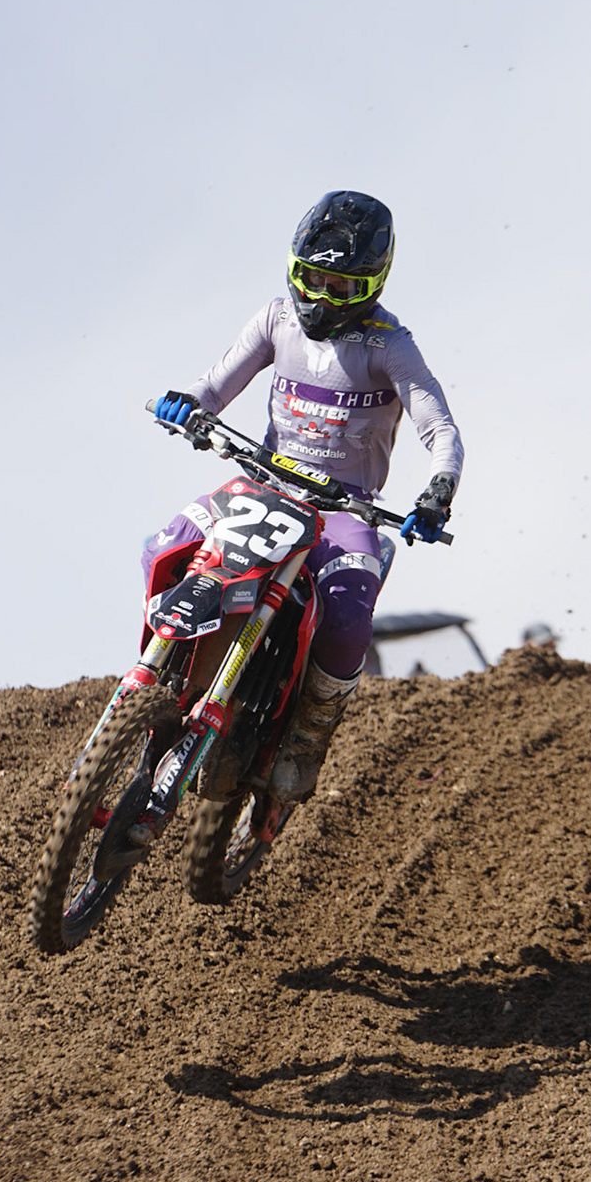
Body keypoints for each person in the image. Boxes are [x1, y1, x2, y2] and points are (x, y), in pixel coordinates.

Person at [146, 190, 464, 804]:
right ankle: (160, 674)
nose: (321, 298)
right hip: (262, 482)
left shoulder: (390, 346)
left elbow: (439, 428)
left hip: (344, 506)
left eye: (341, 287)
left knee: (348, 615)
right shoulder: (276, 320)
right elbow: (213, 387)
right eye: (312, 279)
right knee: (163, 548)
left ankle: (309, 732)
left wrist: (437, 492)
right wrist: (185, 404)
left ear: (373, 284)